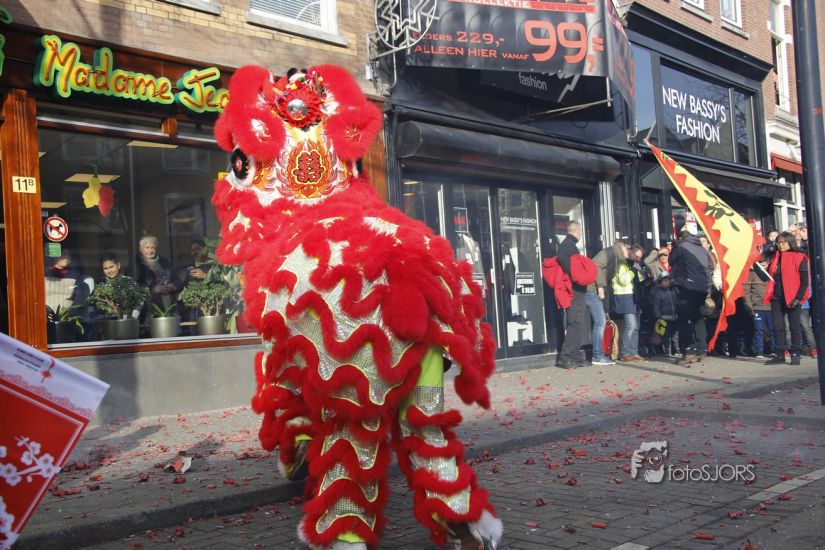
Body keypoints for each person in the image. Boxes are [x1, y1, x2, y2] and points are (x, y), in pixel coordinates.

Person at [764, 232, 809, 365]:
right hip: (777, 297)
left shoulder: (800, 257)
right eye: (779, 242)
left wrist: (798, 298)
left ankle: (795, 353)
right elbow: (768, 277)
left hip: (793, 296)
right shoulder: (775, 258)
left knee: (794, 326)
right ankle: (779, 354)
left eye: (784, 242)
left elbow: (804, 281)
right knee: (777, 326)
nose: (781, 245)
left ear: (790, 242)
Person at [669, 229, 713, 365]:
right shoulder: (702, 248)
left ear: (680, 238)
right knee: (698, 318)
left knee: (684, 318)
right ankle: (701, 350)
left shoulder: (681, 246)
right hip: (703, 287)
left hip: (687, 286)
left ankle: (689, 351)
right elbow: (710, 267)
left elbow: (671, 261)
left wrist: (675, 246)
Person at [585, 240, 629, 367]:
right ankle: (597, 356)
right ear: (622, 247)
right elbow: (596, 265)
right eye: (628, 248)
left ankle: (598, 355)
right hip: (592, 290)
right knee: (600, 323)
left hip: (594, 291)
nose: (629, 251)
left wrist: (606, 309)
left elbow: (607, 284)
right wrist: (600, 286)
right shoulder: (610, 253)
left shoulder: (616, 258)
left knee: (600, 322)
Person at [556, 220, 589, 368]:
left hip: (575, 289)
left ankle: (574, 355)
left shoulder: (567, 245)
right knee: (575, 323)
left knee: (577, 323)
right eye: (580, 231)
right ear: (577, 231)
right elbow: (572, 269)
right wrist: (581, 276)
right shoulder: (569, 246)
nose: (581, 234)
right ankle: (566, 357)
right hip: (574, 290)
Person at [612, 245, 644, 362]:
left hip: (635, 297)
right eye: (637, 256)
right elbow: (623, 280)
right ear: (631, 253)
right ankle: (625, 353)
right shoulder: (622, 265)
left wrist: (642, 273)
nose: (638, 259)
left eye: (640, 257)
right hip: (624, 297)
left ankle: (634, 352)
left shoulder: (633, 265)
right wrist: (634, 271)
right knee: (630, 325)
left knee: (636, 327)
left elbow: (640, 279)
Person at [134, 234, 178, 311]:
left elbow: (176, 280)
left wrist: (172, 286)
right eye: (147, 247)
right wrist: (154, 289)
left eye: (153, 248)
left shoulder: (164, 262)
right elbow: (134, 288)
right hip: (147, 308)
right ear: (140, 249)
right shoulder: (136, 265)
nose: (150, 251)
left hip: (169, 303)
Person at [744, 256, 773, 359]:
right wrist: (749, 306)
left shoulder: (771, 274)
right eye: (760, 265)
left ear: (768, 264)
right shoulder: (751, 274)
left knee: (772, 329)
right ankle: (759, 351)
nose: (762, 268)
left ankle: (773, 350)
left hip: (770, 307)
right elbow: (746, 292)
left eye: (764, 265)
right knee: (759, 330)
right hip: (757, 307)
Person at [648, 274, 679, 356]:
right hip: (664, 318)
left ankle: (676, 349)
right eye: (664, 281)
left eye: (668, 280)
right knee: (666, 335)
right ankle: (668, 350)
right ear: (660, 282)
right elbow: (656, 306)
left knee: (675, 334)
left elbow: (677, 303)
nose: (667, 282)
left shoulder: (673, 290)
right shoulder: (658, 292)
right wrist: (658, 317)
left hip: (674, 316)